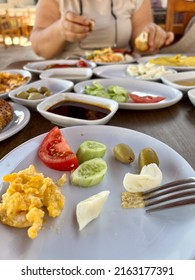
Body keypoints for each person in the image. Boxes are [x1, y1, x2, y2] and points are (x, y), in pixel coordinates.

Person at [30, 0, 174, 59]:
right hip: (68, 78)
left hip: (122, 72)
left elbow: (141, 32)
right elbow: (39, 47)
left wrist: (151, 36)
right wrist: (60, 30)